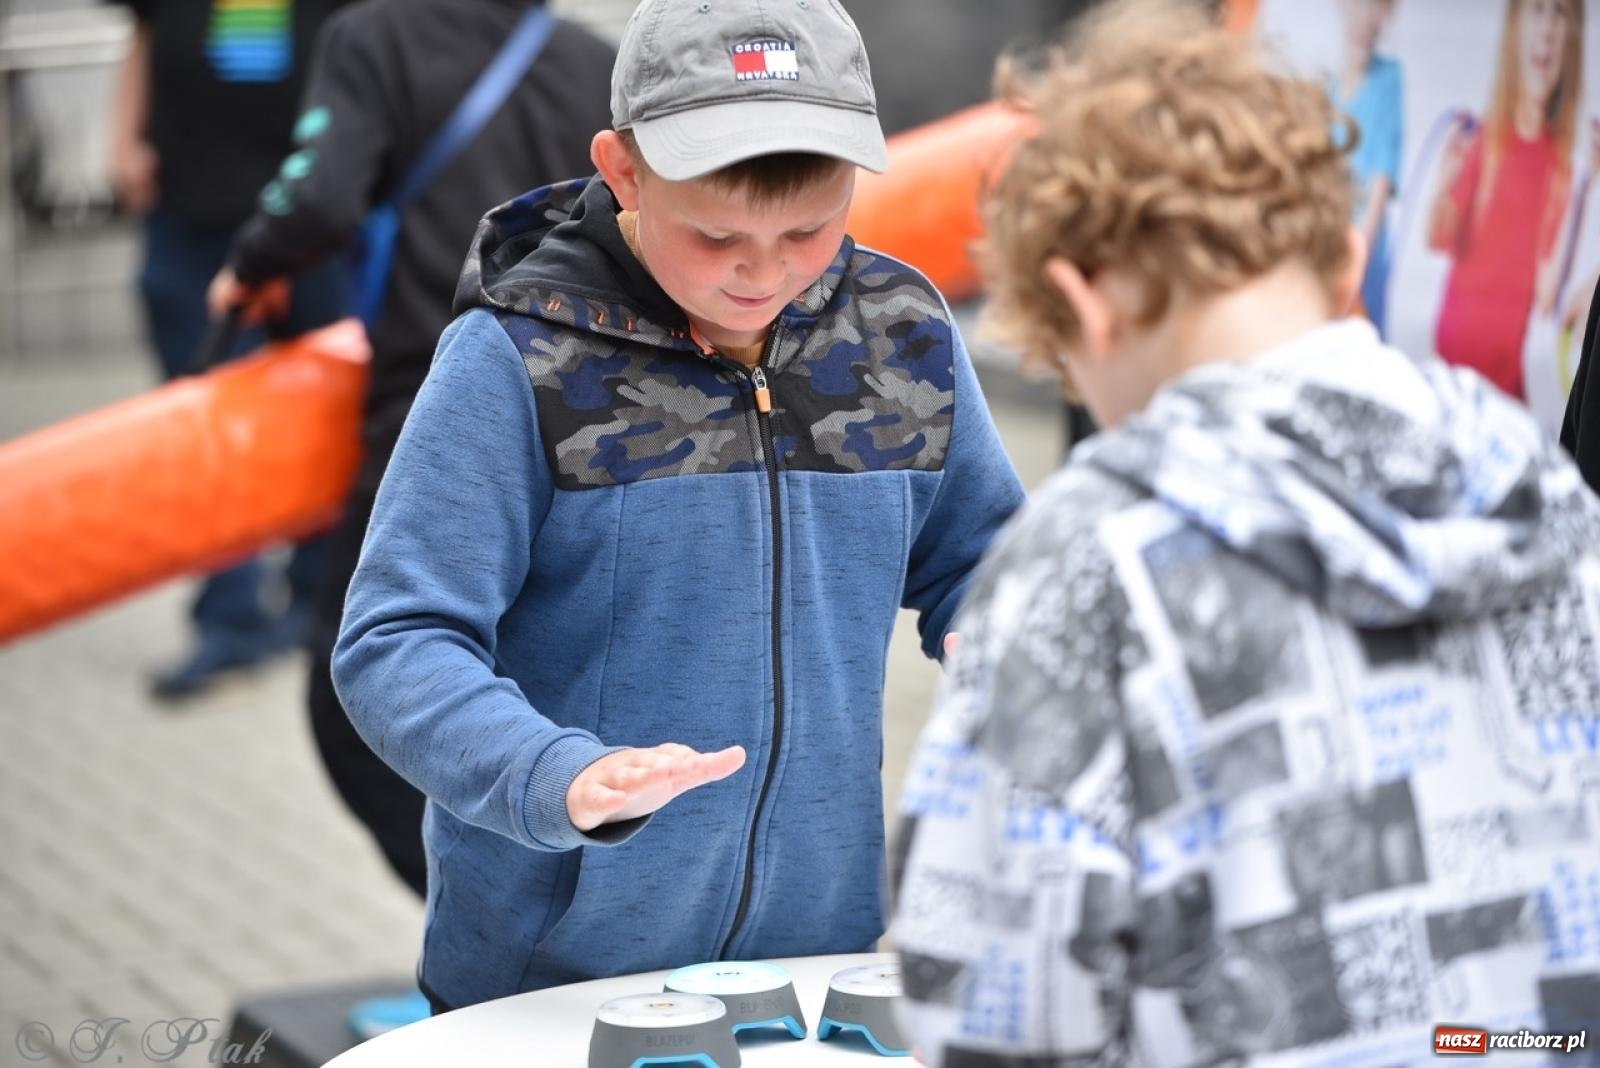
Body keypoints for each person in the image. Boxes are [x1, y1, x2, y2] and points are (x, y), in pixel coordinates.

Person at [890, 2, 1600, 1063]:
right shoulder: (1545, 506)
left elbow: (986, 998)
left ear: (1083, 306)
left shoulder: (1091, 563)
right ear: (1348, 256)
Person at [329, 0, 1025, 1013]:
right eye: (716, 234)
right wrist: (551, 773)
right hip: (551, 980)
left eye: (809, 228)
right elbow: (396, 640)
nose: (765, 271)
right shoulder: (513, 358)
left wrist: (1000, 632)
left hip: (816, 959)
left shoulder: (904, 331)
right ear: (623, 172)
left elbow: (983, 557)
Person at [208, 0, 616, 901]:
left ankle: (485, 925)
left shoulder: (373, 37)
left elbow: (319, 196)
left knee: (365, 691)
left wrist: (252, 264)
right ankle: (574, 928)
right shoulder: (593, 57)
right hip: (595, 408)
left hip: (435, 403)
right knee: (556, 681)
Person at [108, 0, 351, 699]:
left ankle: (319, 600)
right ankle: (231, 616)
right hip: (191, 216)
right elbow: (143, 30)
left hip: (315, 220)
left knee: (329, 415)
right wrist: (124, 140)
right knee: (205, 427)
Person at [1427, 0, 1593, 401]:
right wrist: (1445, 180)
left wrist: (1586, 187)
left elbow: (1548, 294)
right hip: (1450, 376)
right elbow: (1438, 238)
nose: (1548, 28)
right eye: (1538, 9)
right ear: (1515, 28)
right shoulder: (1482, 141)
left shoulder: (1560, 167)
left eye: (1560, 13)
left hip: (1503, 389)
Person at [1331, 0, 1402, 335]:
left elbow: (1380, 181)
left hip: (1363, 255)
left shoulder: (1388, 79)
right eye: (1360, 4)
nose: (1368, 17)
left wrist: (1356, 263)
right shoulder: (1328, 90)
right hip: (1328, 251)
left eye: (1378, 7)